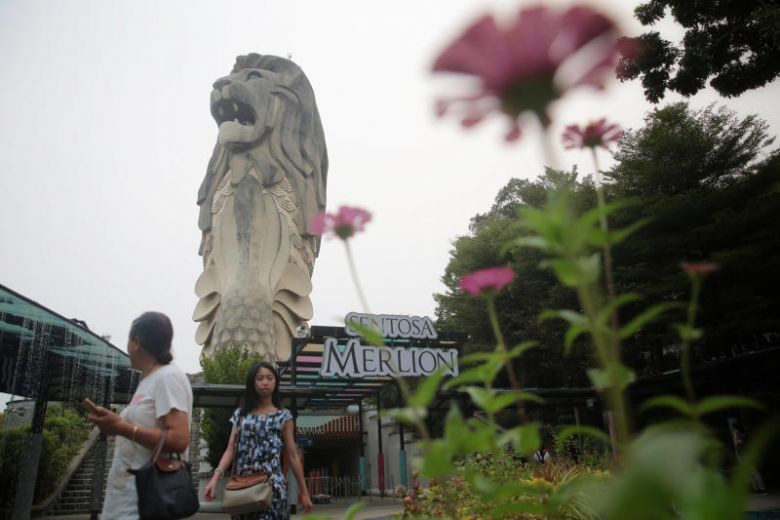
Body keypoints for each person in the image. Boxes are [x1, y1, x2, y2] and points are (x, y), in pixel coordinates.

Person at [87, 311, 193, 520]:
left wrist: (120, 427)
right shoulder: (148, 381)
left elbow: (179, 440)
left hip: (145, 504)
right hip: (123, 501)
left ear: (136, 342)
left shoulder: (168, 376)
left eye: (129, 340)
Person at [204, 361, 313, 518]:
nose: (265, 382)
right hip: (243, 489)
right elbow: (230, 450)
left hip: (273, 489)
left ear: (276, 382)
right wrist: (215, 478)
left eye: (269, 378)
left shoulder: (283, 416)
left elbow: (292, 456)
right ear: (252, 382)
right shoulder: (241, 415)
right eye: (260, 378)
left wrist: (304, 492)